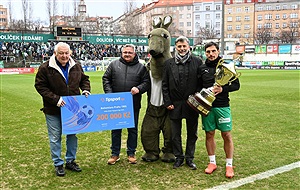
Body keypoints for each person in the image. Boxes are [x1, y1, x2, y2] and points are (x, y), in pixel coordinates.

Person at [35, 42, 91, 177]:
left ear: (70, 53)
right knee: (55, 137)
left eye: (67, 53)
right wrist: (56, 99)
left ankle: (70, 161)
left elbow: (84, 79)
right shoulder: (45, 68)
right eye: (61, 53)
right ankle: (58, 164)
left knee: (72, 135)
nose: (64, 56)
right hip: (53, 109)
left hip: (73, 109)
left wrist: (85, 90)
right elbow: (40, 86)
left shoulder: (76, 65)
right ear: (55, 53)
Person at [102, 44, 150, 165]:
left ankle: (131, 153)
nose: (127, 54)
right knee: (116, 129)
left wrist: (139, 89)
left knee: (132, 130)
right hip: (116, 104)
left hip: (132, 104)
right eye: (125, 52)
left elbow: (146, 82)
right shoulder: (113, 65)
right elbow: (106, 79)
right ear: (121, 53)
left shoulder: (141, 67)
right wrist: (110, 94)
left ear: (134, 54)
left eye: (130, 52)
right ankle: (115, 154)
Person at [199, 41, 240, 178]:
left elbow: (236, 85)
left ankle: (229, 165)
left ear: (218, 51)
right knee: (209, 134)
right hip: (207, 107)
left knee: (226, 134)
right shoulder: (202, 68)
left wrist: (223, 89)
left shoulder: (226, 66)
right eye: (208, 52)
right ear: (205, 53)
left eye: (213, 51)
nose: (211, 54)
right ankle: (212, 163)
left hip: (222, 106)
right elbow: (197, 86)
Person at [162, 36, 202, 170]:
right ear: (176, 48)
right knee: (175, 134)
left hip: (192, 104)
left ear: (189, 46)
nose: (182, 49)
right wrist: (167, 102)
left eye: (184, 46)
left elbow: (201, 83)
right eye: (179, 46)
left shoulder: (197, 62)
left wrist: (197, 100)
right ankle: (179, 158)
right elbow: (165, 85)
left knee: (192, 133)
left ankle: (189, 158)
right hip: (174, 104)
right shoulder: (168, 63)